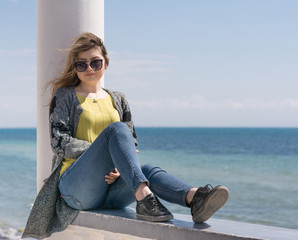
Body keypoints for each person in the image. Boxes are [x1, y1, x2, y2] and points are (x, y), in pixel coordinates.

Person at [22, 32, 229, 239]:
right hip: (77, 187)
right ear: (74, 67)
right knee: (117, 129)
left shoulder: (118, 99)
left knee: (146, 169)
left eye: (95, 62)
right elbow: (59, 142)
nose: (89, 69)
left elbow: (130, 143)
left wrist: (120, 169)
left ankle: (194, 198)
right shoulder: (65, 95)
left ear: (106, 63)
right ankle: (144, 197)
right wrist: (105, 155)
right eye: (81, 64)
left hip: (112, 190)